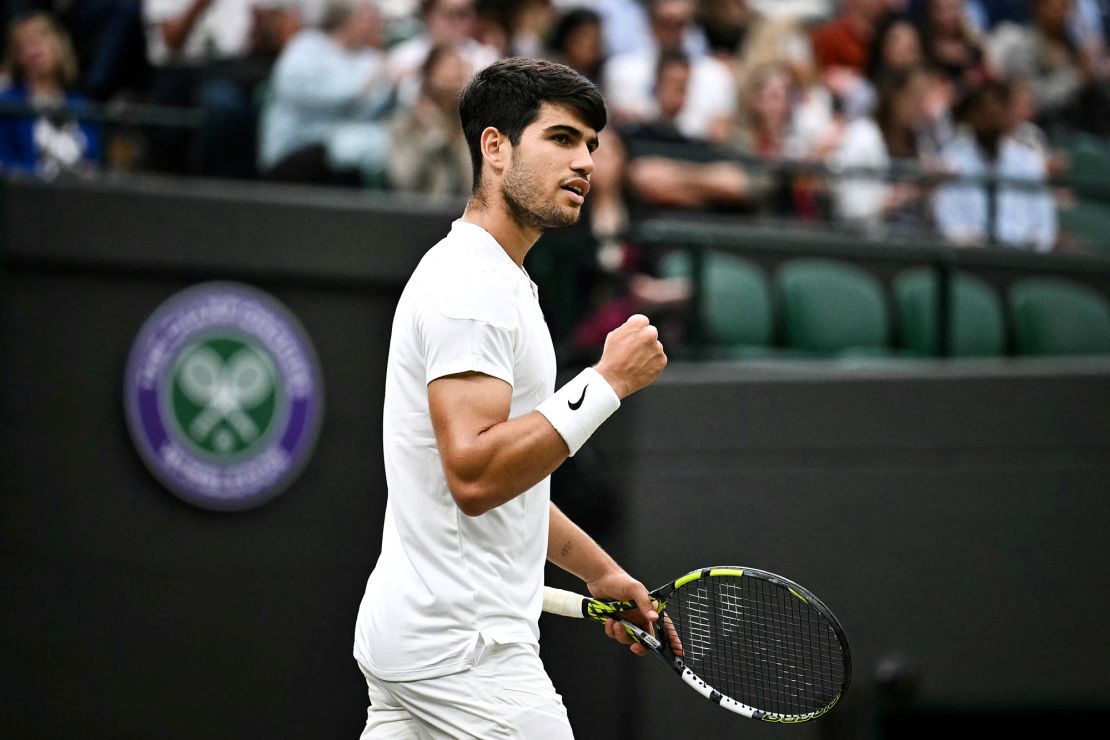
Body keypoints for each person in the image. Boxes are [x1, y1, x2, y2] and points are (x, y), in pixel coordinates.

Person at [352, 57, 669, 738]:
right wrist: (606, 382)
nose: (585, 160)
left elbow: (507, 485)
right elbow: (475, 474)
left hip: (420, 642)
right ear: (495, 147)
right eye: (561, 138)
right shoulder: (474, 287)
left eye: (590, 143)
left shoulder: (495, 279)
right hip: (464, 652)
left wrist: (600, 571)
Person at [0, 12, 102, 176]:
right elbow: (6, 164)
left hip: (79, 195)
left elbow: (94, 161)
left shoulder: (80, 103)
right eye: (24, 45)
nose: (33, 51)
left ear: (59, 47)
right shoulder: (8, 104)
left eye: (39, 41)